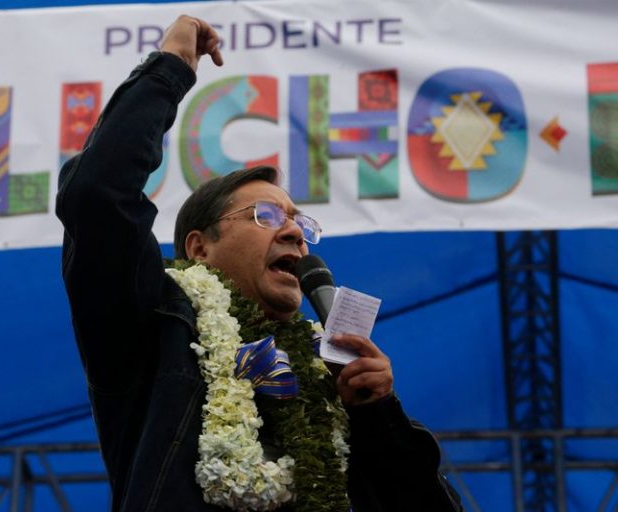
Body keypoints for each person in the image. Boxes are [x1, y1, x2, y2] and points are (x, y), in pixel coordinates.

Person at [56, 14, 463, 512]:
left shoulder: (328, 376)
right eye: (265, 215)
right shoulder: (150, 324)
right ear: (199, 247)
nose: (294, 231)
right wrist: (171, 68)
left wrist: (379, 415)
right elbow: (98, 195)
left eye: (300, 222)